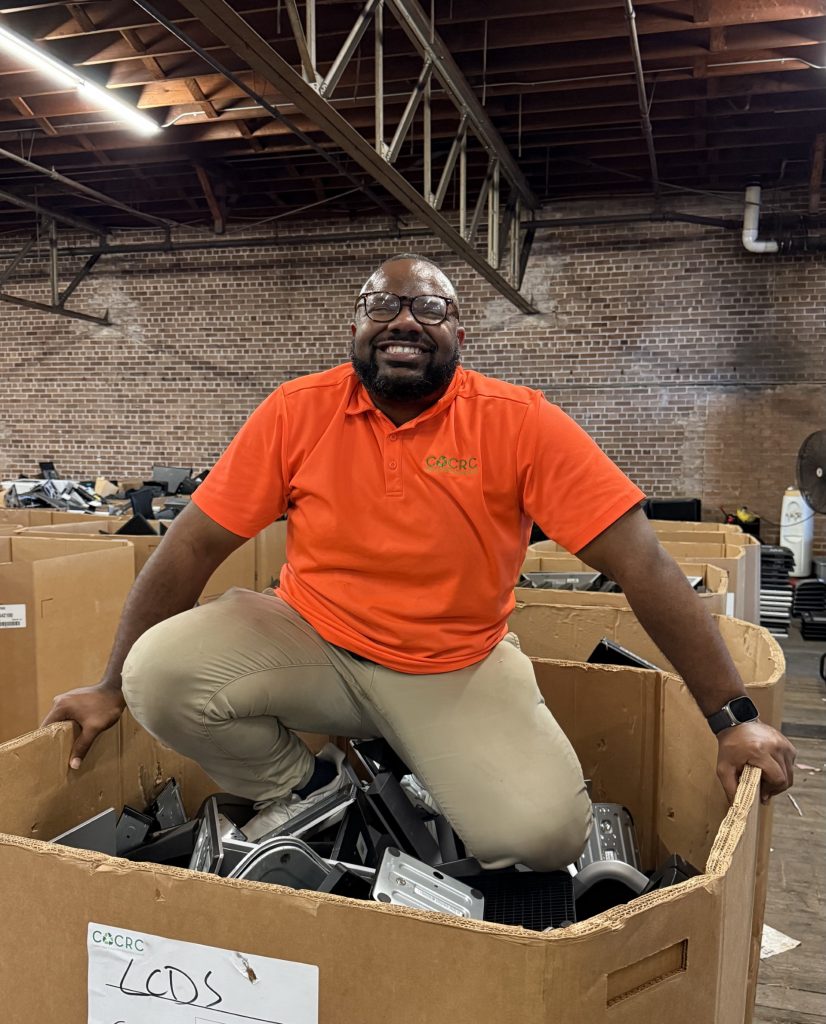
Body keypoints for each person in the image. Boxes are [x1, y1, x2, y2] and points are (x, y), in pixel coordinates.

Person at [42, 254, 796, 871]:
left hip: (455, 665)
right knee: (157, 676)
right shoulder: (296, 411)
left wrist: (733, 720)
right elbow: (191, 547)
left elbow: (645, 566)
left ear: (459, 335)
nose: (404, 319)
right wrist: (108, 687)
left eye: (429, 308)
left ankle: (422, 764)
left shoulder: (520, 423)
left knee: (542, 841)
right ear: (356, 328)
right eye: (383, 305)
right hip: (311, 641)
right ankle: (308, 786)